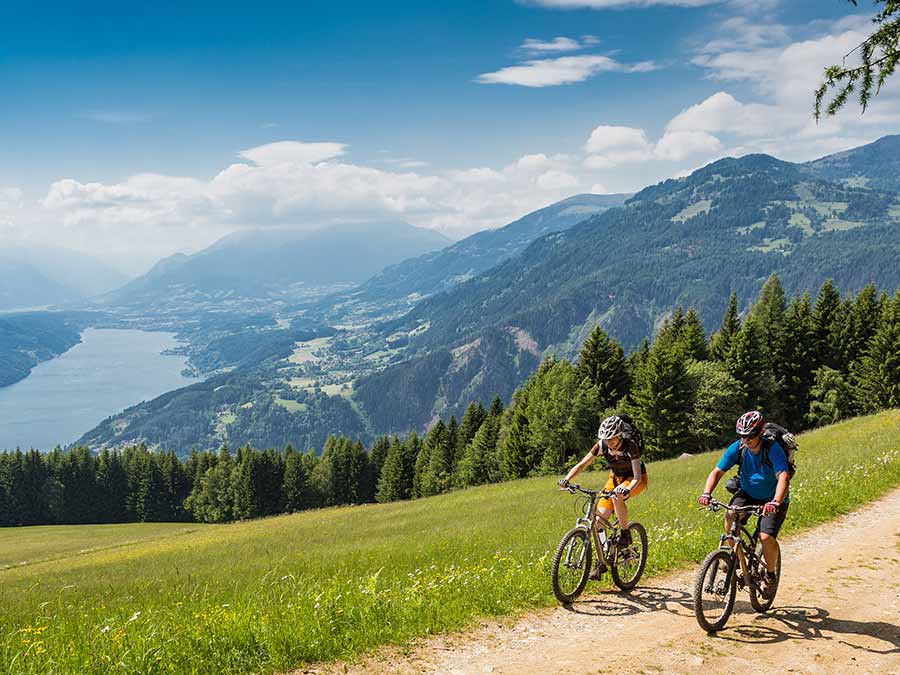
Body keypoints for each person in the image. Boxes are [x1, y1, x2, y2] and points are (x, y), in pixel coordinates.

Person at [697, 410, 790, 599]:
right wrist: (707, 493)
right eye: (742, 436)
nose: (746, 440)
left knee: (765, 537)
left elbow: (783, 477)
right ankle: (736, 557)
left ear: (761, 432)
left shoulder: (772, 449)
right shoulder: (737, 448)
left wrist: (775, 501)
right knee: (730, 516)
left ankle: (770, 575)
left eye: (751, 436)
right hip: (747, 493)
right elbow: (717, 472)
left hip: (773, 498)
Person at [558, 414, 649, 579]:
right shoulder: (602, 445)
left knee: (616, 496)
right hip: (614, 478)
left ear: (619, 435)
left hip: (635, 479)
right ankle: (602, 561)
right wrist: (567, 479)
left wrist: (627, 490)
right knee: (599, 520)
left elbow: (637, 477)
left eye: (612, 439)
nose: (609, 442)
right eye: (606, 439)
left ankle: (625, 533)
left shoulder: (631, 446)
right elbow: (582, 464)